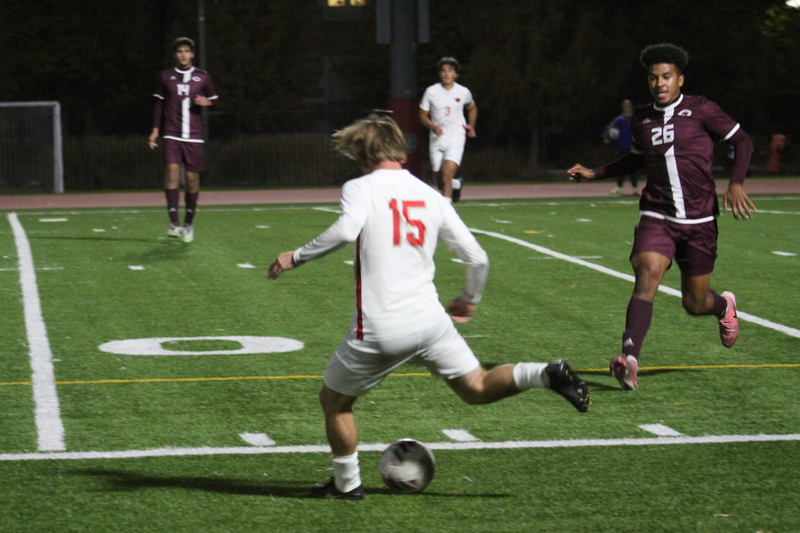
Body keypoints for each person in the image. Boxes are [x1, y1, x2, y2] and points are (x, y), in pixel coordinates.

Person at [269, 113, 589, 500]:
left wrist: (296, 256)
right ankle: (545, 373)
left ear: (363, 154)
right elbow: (478, 258)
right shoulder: (430, 195)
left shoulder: (360, 187)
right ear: (398, 150)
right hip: (431, 321)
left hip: (382, 327)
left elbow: (344, 230)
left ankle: (346, 485)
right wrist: (469, 299)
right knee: (477, 386)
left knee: (334, 402)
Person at [567, 43, 756, 391]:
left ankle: (723, 307)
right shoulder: (641, 118)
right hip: (658, 214)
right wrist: (595, 173)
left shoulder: (701, 109)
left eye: (666, 76)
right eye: (653, 78)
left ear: (680, 79)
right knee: (647, 274)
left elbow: (743, 141)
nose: (659, 83)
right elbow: (635, 159)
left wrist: (737, 183)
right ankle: (630, 359)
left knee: (695, 302)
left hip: (699, 223)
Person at [148, 37, 218, 243]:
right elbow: (159, 105)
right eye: (180, 51)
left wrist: (208, 103)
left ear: (193, 54)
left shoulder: (203, 77)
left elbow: (215, 101)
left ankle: (188, 224)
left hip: (194, 137)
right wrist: (154, 131)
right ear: (175, 54)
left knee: (192, 180)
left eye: (187, 51)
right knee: (171, 173)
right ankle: (174, 224)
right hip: (171, 133)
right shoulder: (166, 76)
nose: (183, 54)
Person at [419, 57, 477, 204]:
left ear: (456, 75)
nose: (446, 74)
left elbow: (472, 108)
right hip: (437, 139)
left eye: (450, 71)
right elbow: (423, 115)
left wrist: (471, 126)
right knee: (441, 182)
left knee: (446, 174)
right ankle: (456, 184)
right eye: (443, 71)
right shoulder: (431, 92)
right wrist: (432, 127)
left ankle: (446, 214)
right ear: (440, 74)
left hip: (456, 137)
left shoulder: (463, 92)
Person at [603, 99, 642, 195]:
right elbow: (608, 128)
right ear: (622, 107)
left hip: (633, 148)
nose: (627, 107)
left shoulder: (636, 118)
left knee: (633, 169)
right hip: (621, 147)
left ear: (631, 107)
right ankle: (620, 187)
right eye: (625, 105)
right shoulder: (619, 119)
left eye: (628, 105)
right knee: (620, 168)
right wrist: (606, 136)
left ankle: (635, 189)